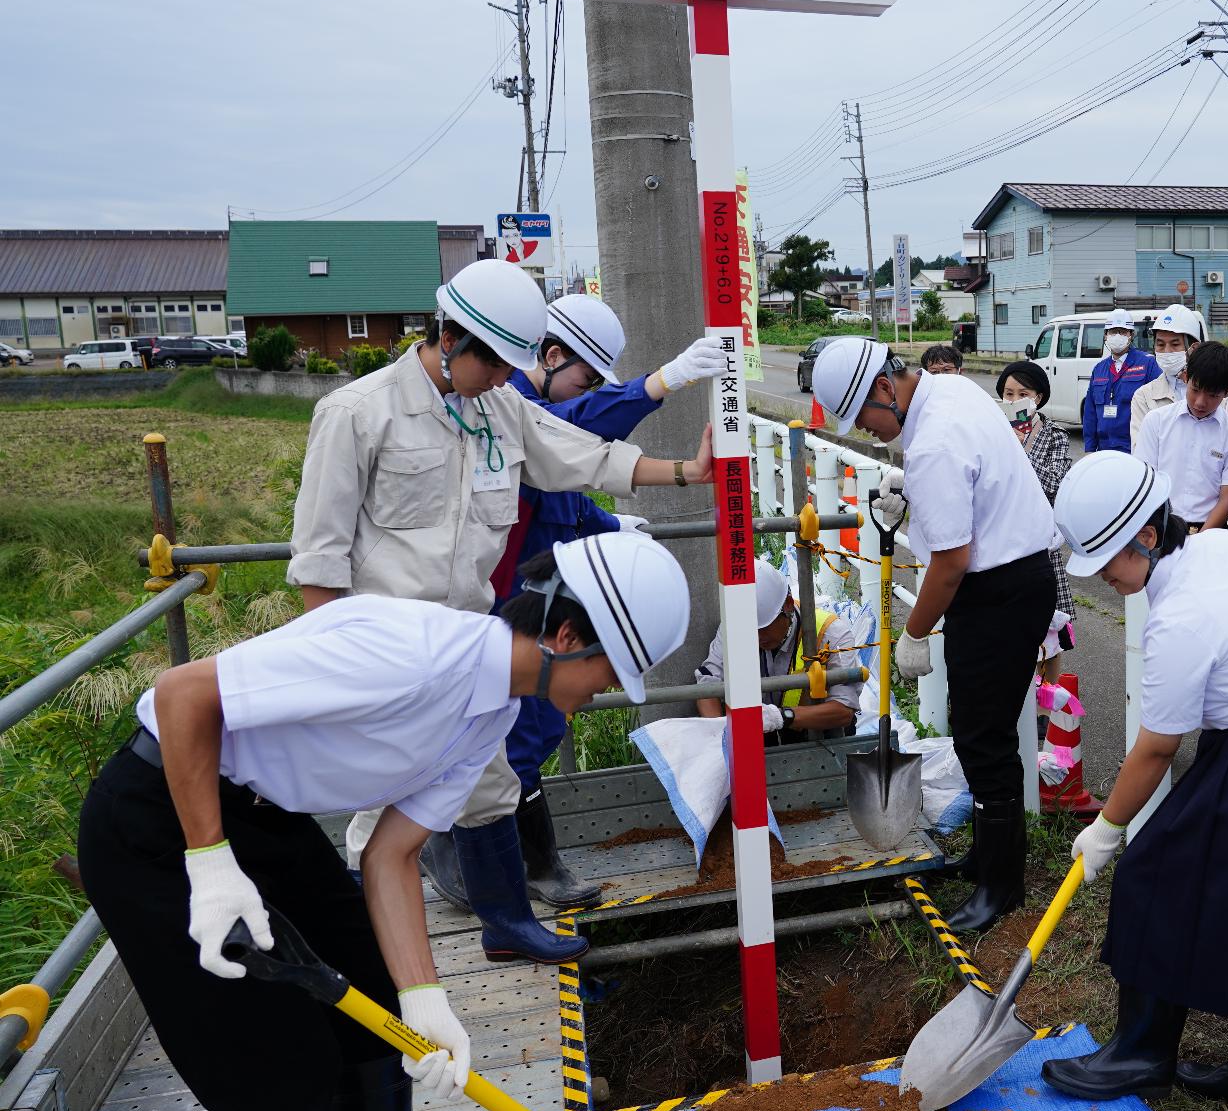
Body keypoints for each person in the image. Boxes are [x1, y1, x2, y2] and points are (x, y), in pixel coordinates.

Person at [76, 533, 689, 1111]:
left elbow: (391, 853)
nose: (605, 692)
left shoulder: (492, 713)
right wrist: (210, 860)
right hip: (161, 820)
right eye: (613, 671)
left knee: (375, 994)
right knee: (283, 1079)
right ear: (568, 636)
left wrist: (424, 996)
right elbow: (182, 694)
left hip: (265, 818)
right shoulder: (410, 654)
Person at [289, 258, 722, 966]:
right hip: (388, 649)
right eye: (493, 362)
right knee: (382, 803)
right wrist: (338, 664)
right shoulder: (357, 415)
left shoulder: (499, 409)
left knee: (490, 781)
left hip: (468, 639)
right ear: (451, 336)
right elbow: (318, 561)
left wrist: (684, 473)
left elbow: (581, 456)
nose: (501, 377)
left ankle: (506, 920)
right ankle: (358, 946)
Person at [1038, 452, 1228, 1111]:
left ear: (1148, 536)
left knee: (1153, 869)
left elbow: (1156, 748)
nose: (1106, 581)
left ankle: (1141, 1052)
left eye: (1110, 563)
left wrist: (1105, 831)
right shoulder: (1220, 547)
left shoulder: (1181, 616)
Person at [488, 292, 728, 910]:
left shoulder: (539, 402)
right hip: (513, 596)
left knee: (534, 730)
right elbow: (577, 433)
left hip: (548, 588)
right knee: (517, 735)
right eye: (586, 379)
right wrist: (660, 383)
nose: (587, 391)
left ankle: (522, 866)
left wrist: (609, 525)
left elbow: (565, 490)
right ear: (549, 353)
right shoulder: (514, 402)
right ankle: (520, 872)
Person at [810, 338, 1057, 933]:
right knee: (978, 726)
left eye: (864, 419)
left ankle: (1001, 885)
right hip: (1013, 578)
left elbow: (950, 559)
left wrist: (913, 632)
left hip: (997, 589)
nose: (868, 434)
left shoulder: (935, 444)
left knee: (983, 736)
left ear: (883, 389)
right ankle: (990, 855)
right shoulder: (945, 389)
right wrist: (914, 497)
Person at [694, 559, 861, 740]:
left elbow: (844, 710)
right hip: (757, 736)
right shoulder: (734, 626)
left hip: (813, 735)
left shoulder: (831, 634)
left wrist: (779, 717)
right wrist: (721, 737)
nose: (757, 638)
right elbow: (707, 683)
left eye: (763, 628)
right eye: (750, 631)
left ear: (788, 605)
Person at [997, 360, 1076, 681]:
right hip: (1001, 545)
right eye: (1008, 393)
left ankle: (1047, 709)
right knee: (1009, 632)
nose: (1014, 400)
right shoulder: (993, 431)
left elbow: (1056, 483)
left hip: (1042, 546)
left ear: (1038, 398)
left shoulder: (1055, 435)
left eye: (1022, 393)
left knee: (1050, 631)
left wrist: (1020, 454)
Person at [1133, 340, 1228, 532]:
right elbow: (1146, 484)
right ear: (1186, 378)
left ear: (1227, 392)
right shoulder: (1156, 421)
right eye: (1195, 390)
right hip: (1161, 529)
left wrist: (1201, 540)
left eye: (1213, 395)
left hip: (1210, 531)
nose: (1200, 402)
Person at [1128, 305, 1228, 439]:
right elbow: (1141, 450)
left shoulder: (1220, 389)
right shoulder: (1144, 396)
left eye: (1175, 344)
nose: (1166, 351)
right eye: (1160, 345)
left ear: (1194, 348)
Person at [1078, 311, 1158, 455]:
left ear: (1131, 335)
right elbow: (1090, 412)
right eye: (1113, 332)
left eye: (1122, 332)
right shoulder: (1099, 369)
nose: (1117, 336)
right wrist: (1090, 448)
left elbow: (1158, 408)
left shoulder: (1148, 363)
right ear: (1105, 335)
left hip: (1135, 448)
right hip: (1104, 449)